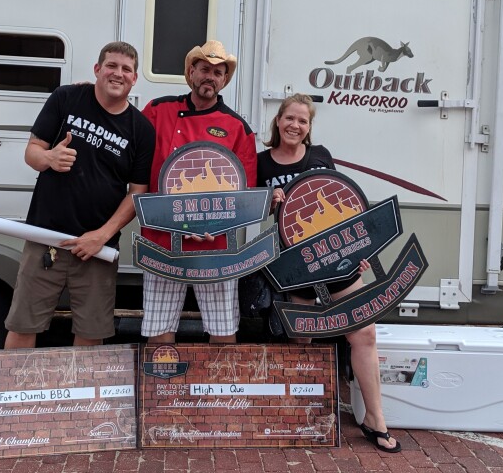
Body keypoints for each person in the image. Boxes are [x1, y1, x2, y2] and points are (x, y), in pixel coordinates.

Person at [257, 93, 401, 453]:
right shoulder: (260, 163)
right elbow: (250, 212)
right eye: (289, 118)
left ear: (309, 127)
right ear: (278, 121)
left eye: (302, 121)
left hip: (337, 260)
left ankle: (375, 417)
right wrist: (266, 199)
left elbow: (344, 208)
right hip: (296, 266)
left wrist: (360, 252)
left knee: (364, 333)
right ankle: (300, 414)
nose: (295, 125)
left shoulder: (320, 157)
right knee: (302, 337)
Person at [4, 41, 155, 349]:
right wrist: (48, 159)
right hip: (45, 238)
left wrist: (102, 235)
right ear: (97, 69)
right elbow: (32, 151)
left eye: (126, 69)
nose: (118, 74)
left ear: (135, 79)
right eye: (111, 66)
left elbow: (138, 192)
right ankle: (16, 396)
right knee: (23, 324)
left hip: (96, 249)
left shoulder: (142, 129)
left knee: (91, 332)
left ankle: (82, 397)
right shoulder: (67, 98)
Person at [140, 40, 257, 344]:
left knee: (223, 334)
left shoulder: (238, 128)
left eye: (218, 72)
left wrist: (213, 225)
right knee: (159, 333)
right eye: (204, 69)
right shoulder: (157, 110)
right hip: (162, 241)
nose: (210, 77)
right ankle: (162, 389)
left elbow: (244, 195)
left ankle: (218, 391)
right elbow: (125, 136)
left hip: (214, 245)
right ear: (191, 72)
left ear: (224, 80)